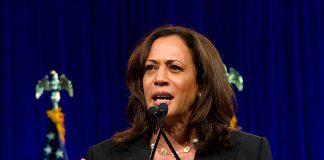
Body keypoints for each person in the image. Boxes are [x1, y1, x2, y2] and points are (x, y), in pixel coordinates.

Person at [86, 26, 272, 160]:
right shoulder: (105, 155)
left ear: (201, 84)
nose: (159, 78)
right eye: (150, 68)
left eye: (174, 67)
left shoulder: (249, 152)